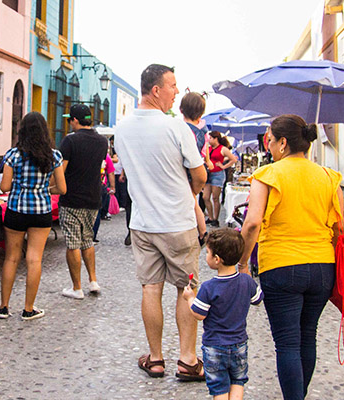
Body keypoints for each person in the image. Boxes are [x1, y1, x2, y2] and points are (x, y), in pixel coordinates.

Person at [237, 115, 342, 399]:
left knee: (287, 343)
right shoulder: (328, 177)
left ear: (282, 143)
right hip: (322, 266)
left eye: (270, 141)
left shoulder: (268, 175)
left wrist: (243, 263)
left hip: (282, 265)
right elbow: (339, 228)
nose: (268, 147)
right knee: (308, 335)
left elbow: (252, 223)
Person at [114, 64, 207, 381]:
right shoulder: (177, 127)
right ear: (156, 90)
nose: (177, 92)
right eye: (172, 85)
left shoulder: (122, 129)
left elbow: (129, 173)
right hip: (178, 222)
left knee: (150, 289)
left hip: (142, 223)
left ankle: (155, 359)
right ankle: (187, 359)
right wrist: (186, 193)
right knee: (187, 289)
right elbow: (200, 175)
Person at [0, 112, 66, 321]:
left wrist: (20, 186)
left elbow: (5, 186)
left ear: (22, 131)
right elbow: (62, 188)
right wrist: (43, 188)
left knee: (11, 257)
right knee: (34, 259)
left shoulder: (12, 155)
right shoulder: (54, 156)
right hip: (41, 212)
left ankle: (4, 307)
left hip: (16, 210)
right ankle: (28, 309)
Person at [183, 228, 263, 400]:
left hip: (215, 346)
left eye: (208, 253)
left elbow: (198, 314)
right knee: (237, 381)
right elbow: (257, 299)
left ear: (217, 259)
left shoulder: (209, 287)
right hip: (239, 344)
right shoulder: (246, 281)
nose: (207, 256)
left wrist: (190, 298)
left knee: (219, 387)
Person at [58, 104, 109, 299]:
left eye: (70, 119)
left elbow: (61, 171)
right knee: (87, 240)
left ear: (76, 120)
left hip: (72, 198)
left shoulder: (70, 141)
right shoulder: (102, 142)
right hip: (93, 197)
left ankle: (77, 287)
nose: (69, 123)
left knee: (72, 243)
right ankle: (93, 281)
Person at [180, 91, 212, 244]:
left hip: (188, 168)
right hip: (200, 166)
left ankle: (202, 230)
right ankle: (202, 229)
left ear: (181, 110)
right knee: (194, 199)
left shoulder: (183, 130)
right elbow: (205, 151)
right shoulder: (204, 132)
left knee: (192, 200)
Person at [202, 131, 238, 227]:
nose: (209, 140)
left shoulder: (223, 149)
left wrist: (223, 166)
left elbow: (233, 159)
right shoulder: (208, 149)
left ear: (215, 138)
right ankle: (210, 217)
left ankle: (215, 219)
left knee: (215, 197)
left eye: (210, 138)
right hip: (208, 173)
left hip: (218, 174)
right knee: (205, 197)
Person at [92, 153, 116, 242]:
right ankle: (93, 236)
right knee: (97, 210)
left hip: (86, 185)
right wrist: (113, 186)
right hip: (101, 186)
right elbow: (111, 172)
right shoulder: (105, 156)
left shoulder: (86, 152)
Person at [113, 151, 133, 245]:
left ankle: (131, 232)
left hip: (132, 181)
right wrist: (123, 173)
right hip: (132, 181)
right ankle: (131, 231)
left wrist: (122, 174)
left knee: (129, 207)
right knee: (129, 207)